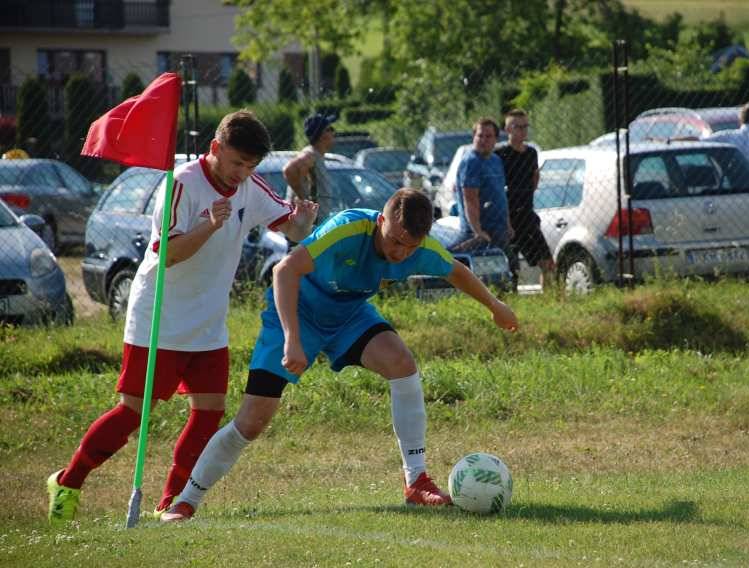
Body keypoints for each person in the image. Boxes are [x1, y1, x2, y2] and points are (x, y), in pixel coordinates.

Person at [160, 188, 519, 521]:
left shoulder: (418, 248)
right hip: (296, 311)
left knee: (402, 364)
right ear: (381, 220)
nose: (400, 253)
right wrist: (291, 339)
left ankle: (417, 482)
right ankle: (187, 499)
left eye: (410, 247)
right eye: (394, 241)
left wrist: (495, 305)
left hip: (348, 315)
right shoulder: (347, 229)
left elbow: (456, 270)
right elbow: (285, 271)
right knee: (252, 421)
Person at [46, 110, 318, 524]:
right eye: (235, 163)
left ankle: (171, 502)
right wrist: (209, 226)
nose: (241, 174)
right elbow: (169, 254)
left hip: (208, 322)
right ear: (215, 149)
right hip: (159, 315)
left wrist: (304, 221)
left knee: (208, 413)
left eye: (250, 166)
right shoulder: (180, 184)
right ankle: (67, 481)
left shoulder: (249, 186)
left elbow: (292, 229)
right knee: (134, 412)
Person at [494, 109, 555, 289]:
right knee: (511, 266)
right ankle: (510, 301)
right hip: (507, 216)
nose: (522, 131)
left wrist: (526, 193)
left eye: (525, 126)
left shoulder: (531, 153)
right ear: (507, 129)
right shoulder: (500, 154)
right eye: (517, 127)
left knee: (547, 262)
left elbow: (535, 177)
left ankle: (549, 300)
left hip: (526, 215)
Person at [446, 117, 511, 252]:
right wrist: (478, 231)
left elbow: (501, 194)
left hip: (498, 228)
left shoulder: (496, 160)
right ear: (474, 137)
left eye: (488, 136)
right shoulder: (471, 162)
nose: (483, 140)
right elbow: (470, 199)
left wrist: (508, 224)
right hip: (480, 232)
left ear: (495, 139)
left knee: (507, 270)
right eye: (480, 135)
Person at [283, 112, 337, 220]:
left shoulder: (317, 156)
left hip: (313, 224)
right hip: (307, 226)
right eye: (330, 129)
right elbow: (289, 170)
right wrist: (303, 199)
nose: (334, 132)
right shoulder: (310, 154)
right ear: (322, 135)